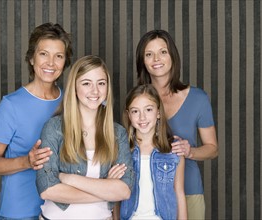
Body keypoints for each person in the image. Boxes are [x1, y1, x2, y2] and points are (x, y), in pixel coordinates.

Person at [0, 22, 73, 219]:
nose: (51, 63)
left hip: (61, 211)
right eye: (43, 54)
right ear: (32, 58)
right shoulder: (11, 105)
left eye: (58, 56)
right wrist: (26, 161)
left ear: (65, 62)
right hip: (19, 211)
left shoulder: (72, 103)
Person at [36, 55, 134, 220]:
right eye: (86, 83)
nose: (95, 91)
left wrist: (68, 178)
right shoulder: (53, 128)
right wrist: (106, 190)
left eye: (101, 83)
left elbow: (124, 190)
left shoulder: (117, 133)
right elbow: (47, 189)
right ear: (74, 87)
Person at [136, 29, 218, 219]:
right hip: (146, 195)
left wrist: (191, 152)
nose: (156, 58)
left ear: (172, 55)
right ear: (143, 62)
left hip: (189, 191)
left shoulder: (198, 98)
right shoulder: (137, 100)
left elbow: (213, 148)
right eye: (149, 54)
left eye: (163, 52)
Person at [120, 84, 187, 220]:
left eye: (148, 110)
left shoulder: (173, 151)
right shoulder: (121, 150)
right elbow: (115, 196)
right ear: (128, 115)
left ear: (158, 112)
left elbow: (179, 192)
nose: (142, 117)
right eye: (135, 111)